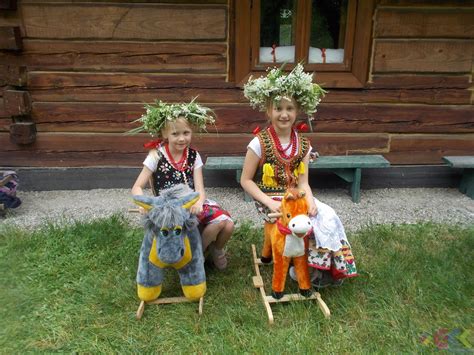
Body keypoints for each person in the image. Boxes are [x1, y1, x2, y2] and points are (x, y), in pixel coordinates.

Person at [240, 63, 357, 288]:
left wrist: (311, 202)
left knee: (325, 214)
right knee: (298, 219)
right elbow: (245, 180)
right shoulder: (258, 143)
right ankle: (298, 267)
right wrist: (267, 202)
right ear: (268, 111)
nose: (284, 114)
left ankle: (322, 268)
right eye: (278, 108)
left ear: (297, 111)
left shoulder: (303, 144)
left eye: (290, 109)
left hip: (297, 195)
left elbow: (303, 181)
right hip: (270, 198)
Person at [130, 98, 234, 270]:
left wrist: (199, 202)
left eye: (186, 133)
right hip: (169, 209)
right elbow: (136, 186)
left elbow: (199, 188)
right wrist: (144, 203)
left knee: (227, 224)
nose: (181, 138)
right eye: (175, 134)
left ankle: (211, 250)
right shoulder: (156, 156)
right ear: (165, 134)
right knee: (218, 224)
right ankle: (194, 255)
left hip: (191, 203)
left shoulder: (194, 156)